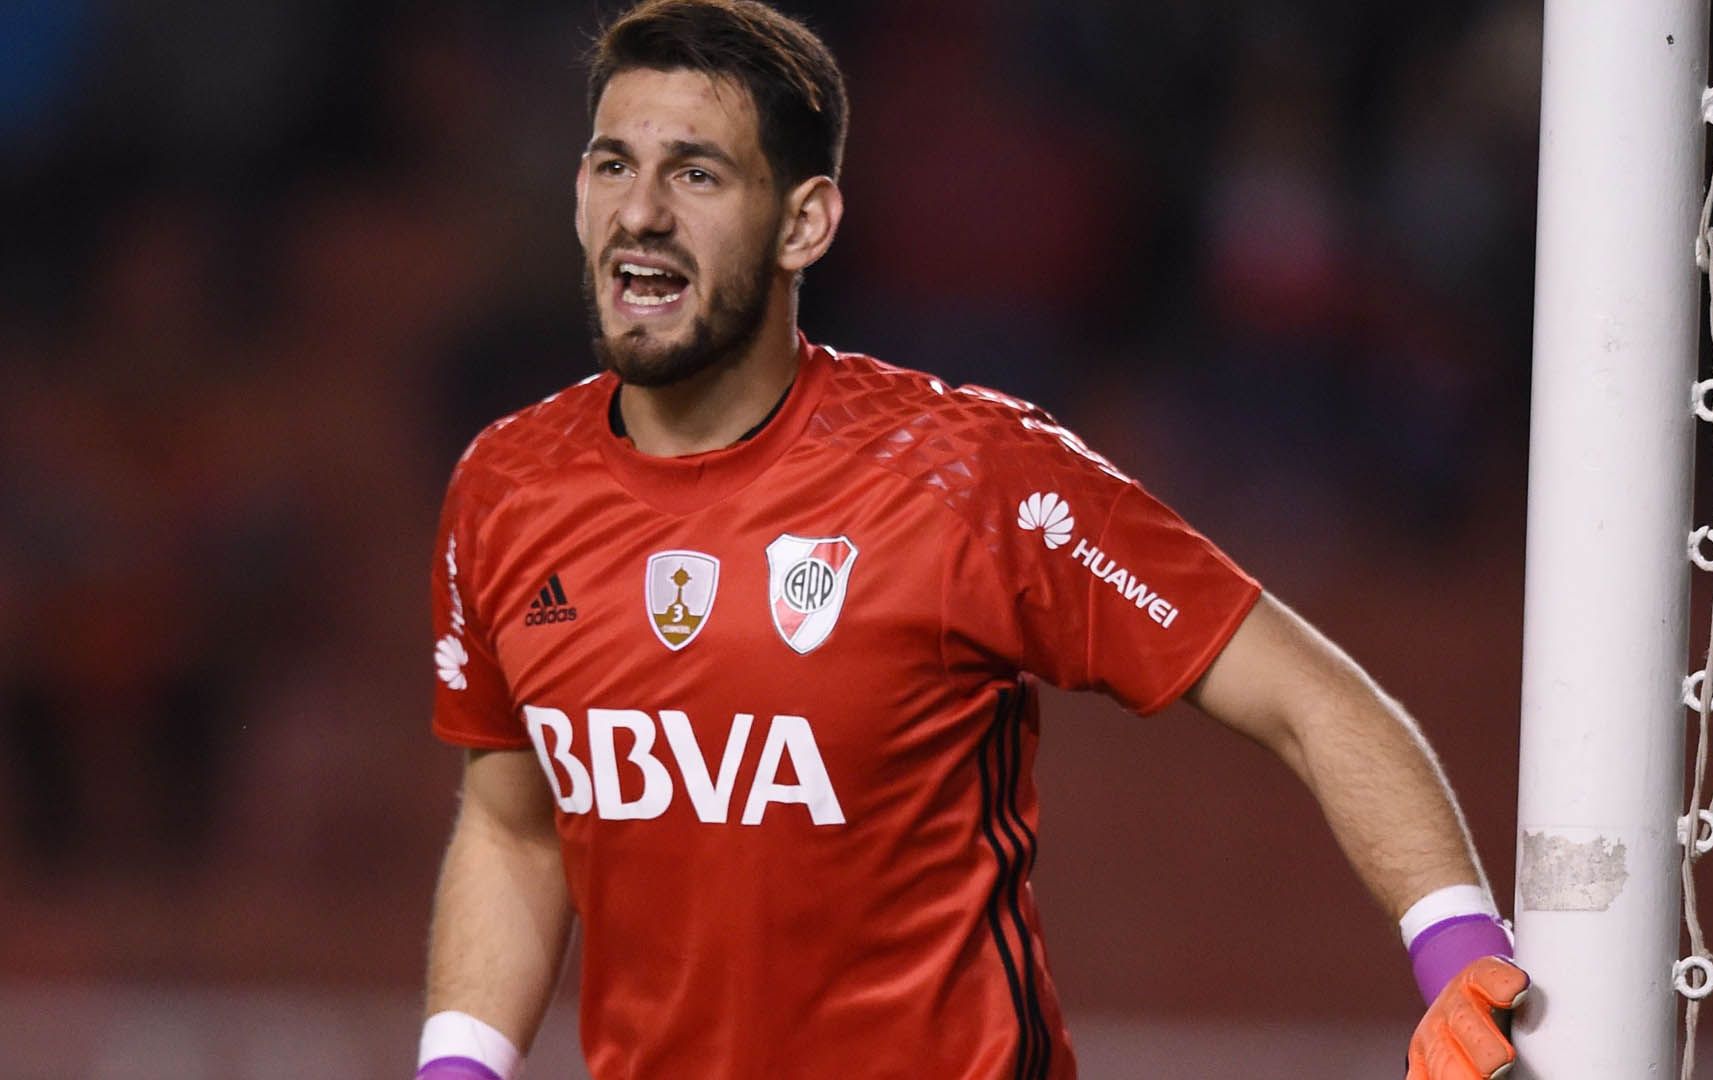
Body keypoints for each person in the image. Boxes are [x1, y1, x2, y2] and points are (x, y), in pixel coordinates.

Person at [417, 2, 1530, 1078]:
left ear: (805, 224)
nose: (641, 212)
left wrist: (1458, 953)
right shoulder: (507, 489)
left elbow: (1310, 699)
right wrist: (458, 1070)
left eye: (696, 174)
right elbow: (515, 828)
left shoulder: (967, 476)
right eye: (614, 165)